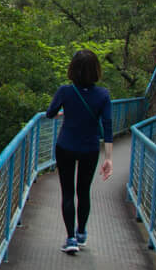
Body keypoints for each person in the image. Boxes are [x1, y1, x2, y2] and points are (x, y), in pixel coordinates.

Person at [45, 49, 113, 255]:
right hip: (90, 149)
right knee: (83, 192)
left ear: (73, 69)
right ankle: (81, 232)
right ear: (96, 70)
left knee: (67, 193)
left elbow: (50, 114)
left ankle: (70, 238)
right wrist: (108, 158)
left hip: (65, 146)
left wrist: (67, 113)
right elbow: (108, 126)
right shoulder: (103, 94)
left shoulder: (65, 91)